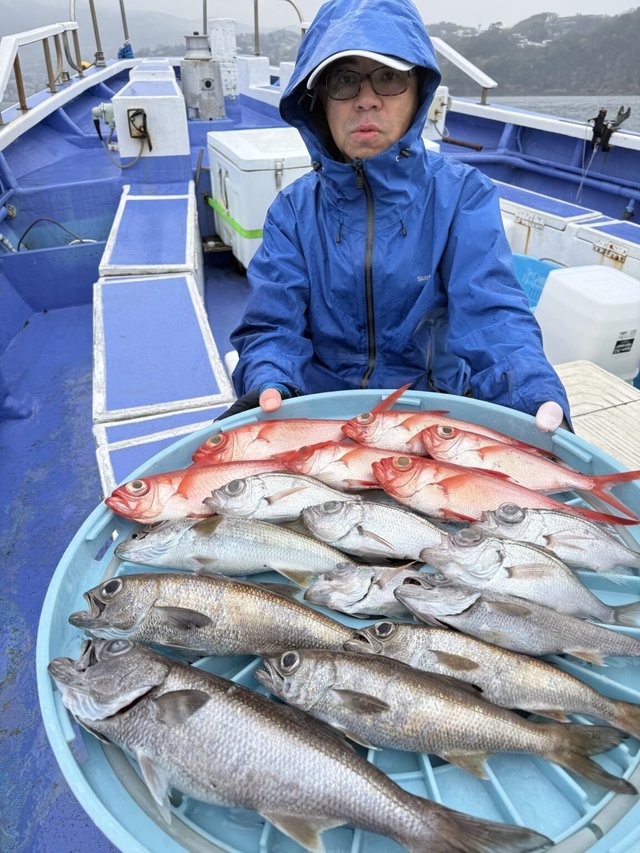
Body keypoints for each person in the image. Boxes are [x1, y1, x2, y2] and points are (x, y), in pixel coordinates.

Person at [220, 0, 570, 432]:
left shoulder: (462, 194)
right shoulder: (292, 210)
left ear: (418, 92)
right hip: (325, 412)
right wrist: (269, 380)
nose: (366, 100)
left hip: (431, 413)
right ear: (319, 101)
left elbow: (491, 313)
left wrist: (530, 391)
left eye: (389, 78)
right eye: (345, 80)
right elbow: (273, 324)